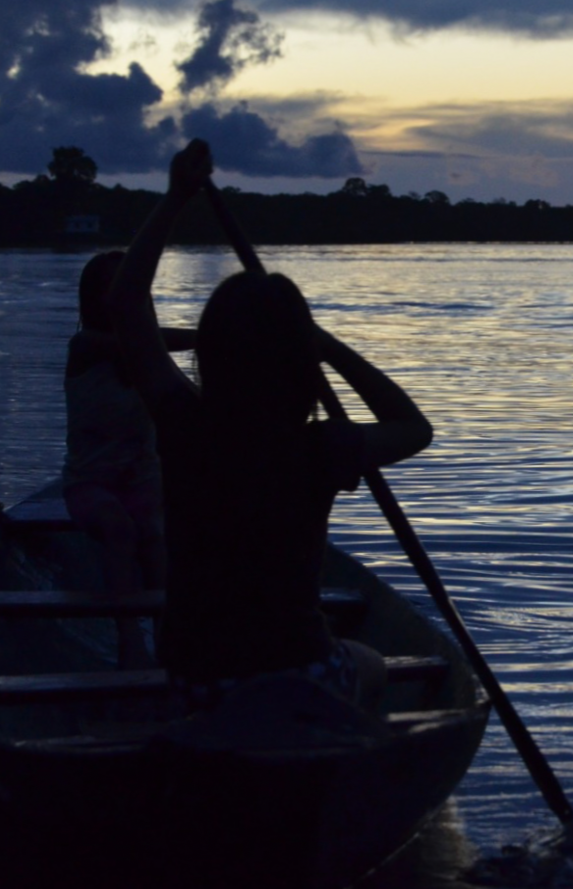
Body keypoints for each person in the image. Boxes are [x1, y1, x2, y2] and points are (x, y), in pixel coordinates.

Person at [107, 140, 433, 708]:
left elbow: (127, 305)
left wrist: (173, 201)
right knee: (372, 664)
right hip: (302, 672)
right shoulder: (323, 447)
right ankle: (344, 755)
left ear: (212, 353)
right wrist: (328, 347)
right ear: (298, 364)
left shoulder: (184, 424)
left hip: (198, 677)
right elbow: (413, 427)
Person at [63, 250, 196, 668]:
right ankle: (128, 639)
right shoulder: (85, 345)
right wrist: (210, 333)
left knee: (154, 537)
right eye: (113, 289)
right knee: (119, 528)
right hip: (89, 483)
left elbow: (189, 405)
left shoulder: (151, 361)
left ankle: (167, 635)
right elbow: (140, 342)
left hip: (142, 480)